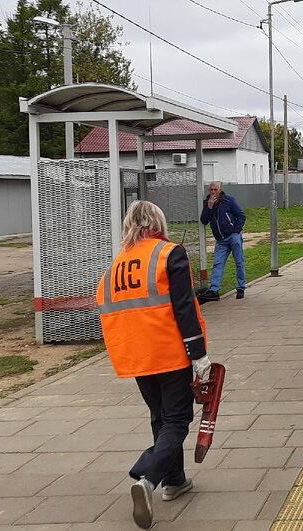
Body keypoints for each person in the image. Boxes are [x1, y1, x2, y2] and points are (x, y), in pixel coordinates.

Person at [95, 200, 212, 529]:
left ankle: (175, 480)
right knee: (177, 420)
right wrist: (198, 354)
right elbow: (184, 307)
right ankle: (147, 480)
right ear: (157, 222)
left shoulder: (117, 264)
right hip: (170, 352)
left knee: (160, 417)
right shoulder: (168, 253)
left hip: (135, 356)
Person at [198, 181, 246, 301]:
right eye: (211, 190)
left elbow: (241, 215)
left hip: (232, 236)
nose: (213, 192)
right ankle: (214, 290)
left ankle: (241, 287)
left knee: (239, 262)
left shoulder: (229, 200)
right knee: (217, 264)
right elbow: (204, 220)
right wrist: (209, 206)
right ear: (208, 191)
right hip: (220, 240)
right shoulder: (207, 203)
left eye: (215, 190)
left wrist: (236, 231)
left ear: (220, 190)